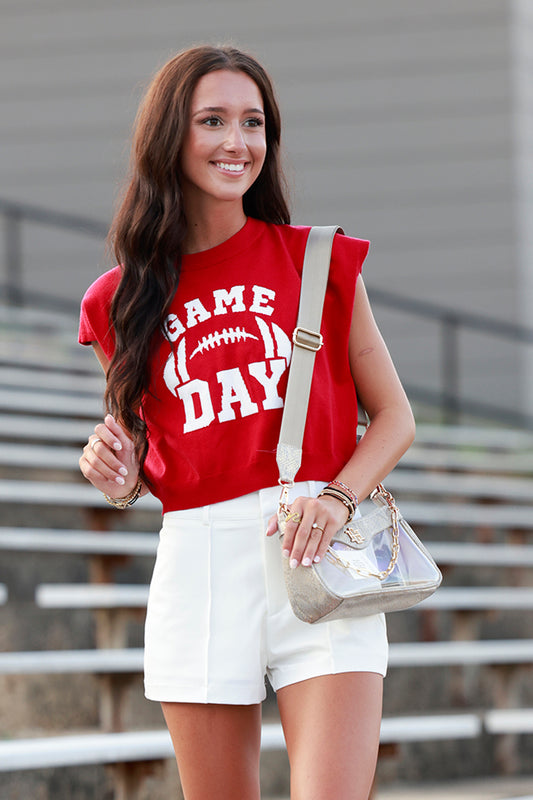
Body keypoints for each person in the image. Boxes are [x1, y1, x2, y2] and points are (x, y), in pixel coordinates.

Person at [78, 44, 415, 800]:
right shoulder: (119, 300)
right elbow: (138, 457)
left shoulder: (317, 261)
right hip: (199, 563)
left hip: (318, 548)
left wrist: (336, 498)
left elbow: (393, 417)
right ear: (170, 134)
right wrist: (116, 473)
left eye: (254, 122)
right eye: (213, 120)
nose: (238, 142)